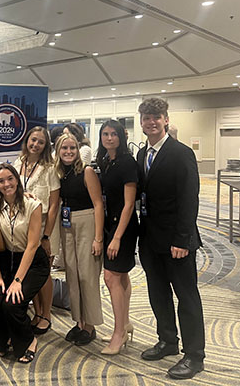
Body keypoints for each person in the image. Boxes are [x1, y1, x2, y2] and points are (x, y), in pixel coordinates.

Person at [136, 98, 205, 379]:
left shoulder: (181, 153)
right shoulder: (142, 154)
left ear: (166, 119)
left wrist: (182, 239)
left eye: (156, 117)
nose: (151, 122)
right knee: (158, 293)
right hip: (150, 238)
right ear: (141, 122)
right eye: (146, 118)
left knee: (186, 297)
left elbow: (190, 200)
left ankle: (194, 355)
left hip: (177, 241)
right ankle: (167, 341)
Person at [0, 163, 50, 363]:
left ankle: (29, 340)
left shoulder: (33, 204)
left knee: (13, 303)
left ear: (17, 179)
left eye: (10, 178)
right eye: (1, 181)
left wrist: (18, 280)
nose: (6, 184)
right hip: (6, 262)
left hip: (33, 263)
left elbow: (31, 246)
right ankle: (5, 338)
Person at [55, 133, 104, 346]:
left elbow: (98, 205)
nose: (68, 152)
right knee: (72, 275)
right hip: (66, 225)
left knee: (87, 276)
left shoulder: (87, 171)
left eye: (72, 148)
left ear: (78, 150)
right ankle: (79, 322)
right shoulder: (58, 174)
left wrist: (98, 238)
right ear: (58, 151)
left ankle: (90, 325)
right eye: (64, 148)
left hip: (87, 222)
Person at [95, 120, 139, 355]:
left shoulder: (127, 163)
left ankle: (119, 333)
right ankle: (125, 323)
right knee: (120, 277)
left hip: (123, 226)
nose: (109, 138)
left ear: (122, 137)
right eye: (105, 134)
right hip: (111, 224)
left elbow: (129, 204)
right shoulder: (107, 161)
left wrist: (117, 237)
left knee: (111, 277)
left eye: (114, 134)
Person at [13, 127, 60, 335]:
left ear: (45, 145)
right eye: (33, 140)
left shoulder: (50, 168)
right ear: (27, 140)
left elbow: (54, 203)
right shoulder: (18, 162)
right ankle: (38, 312)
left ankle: (46, 314)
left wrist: (47, 235)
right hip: (24, 228)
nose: (36, 145)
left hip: (44, 227)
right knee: (31, 272)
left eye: (40, 142)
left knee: (44, 272)